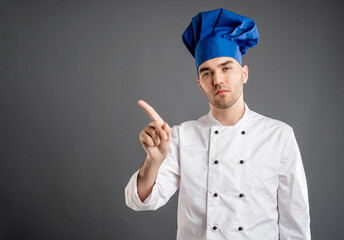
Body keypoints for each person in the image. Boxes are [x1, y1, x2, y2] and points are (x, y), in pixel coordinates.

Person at [125, 8, 311, 240]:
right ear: (199, 83)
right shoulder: (182, 137)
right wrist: (153, 160)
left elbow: (296, 222)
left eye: (226, 68)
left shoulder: (279, 136)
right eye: (207, 73)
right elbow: (140, 201)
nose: (218, 80)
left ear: (244, 73)